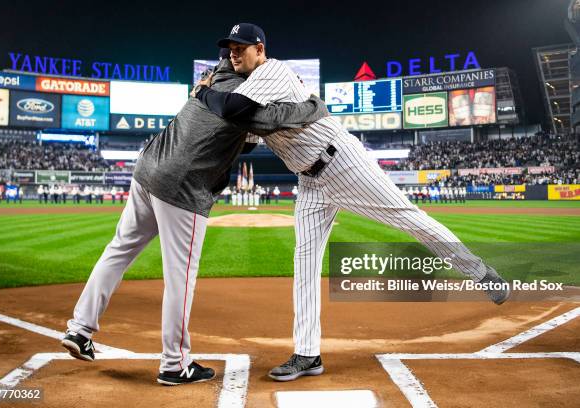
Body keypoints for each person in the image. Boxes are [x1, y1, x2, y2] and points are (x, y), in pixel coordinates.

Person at [199, 22, 511, 382]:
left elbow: (233, 107)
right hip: (310, 180)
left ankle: (481, 273)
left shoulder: (272, 71)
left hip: (342, 162)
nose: (235, 52)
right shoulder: (251, 84)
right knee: (305, 261)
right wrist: (222, 80)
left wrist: (203, 93)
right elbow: (248, 135)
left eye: (241, 47)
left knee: (409, 218)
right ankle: (307, 354)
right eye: (230, 48)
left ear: (261, 50)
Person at [61, 49, 328, 386]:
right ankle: (174, 364)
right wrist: (313, 106)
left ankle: (79, 329)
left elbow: (238, 140)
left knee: (119, 250)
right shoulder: (240, 93)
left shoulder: (212, 80)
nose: (235, 58)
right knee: (181, 278)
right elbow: (266, 119)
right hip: (182, 186)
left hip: (147, 169)